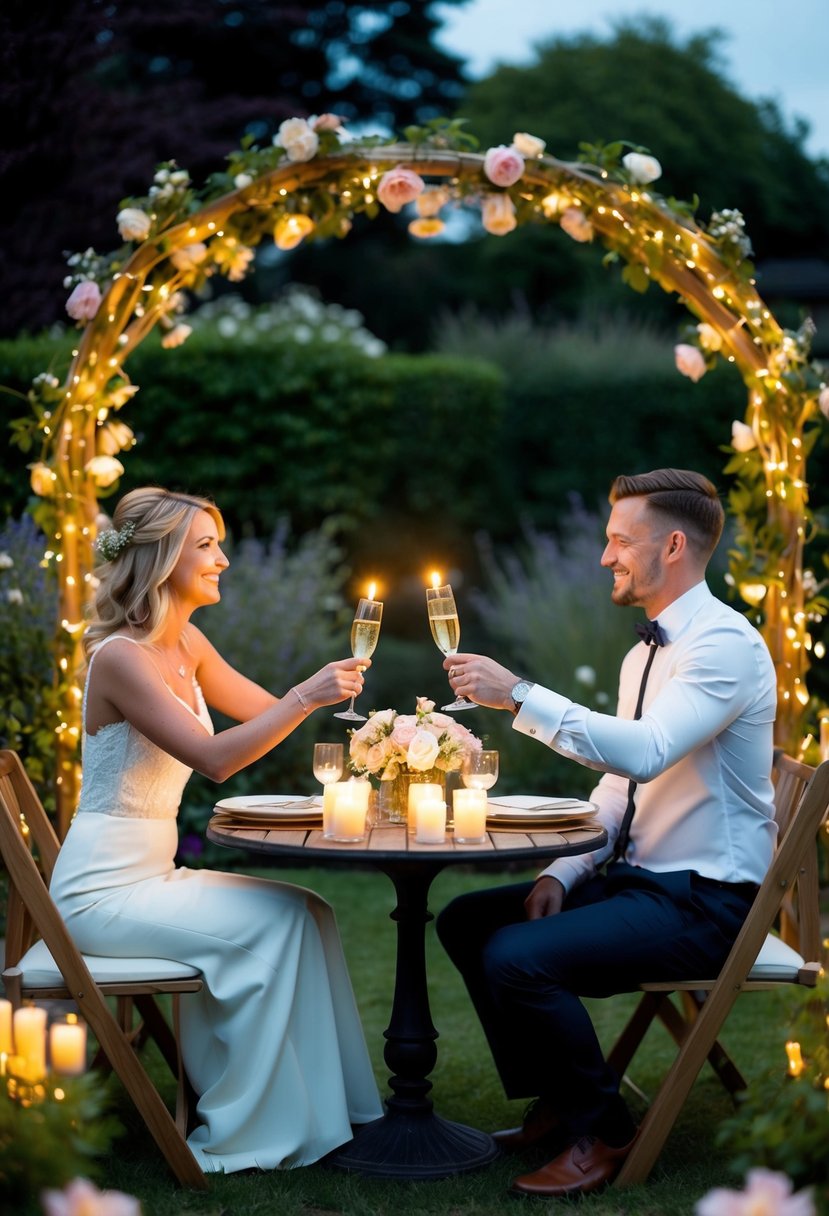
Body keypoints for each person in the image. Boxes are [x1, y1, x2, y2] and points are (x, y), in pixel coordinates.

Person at [436, 468, 777, 1197]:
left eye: (619, 541)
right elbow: (620, 786)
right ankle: (560, 1103)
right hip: (643, 881)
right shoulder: (641, 653)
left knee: (516, 957)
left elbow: (647, 749)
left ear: (674, 545)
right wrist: (562, 872)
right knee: (469, 921)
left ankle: (606, 1130)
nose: (604, 557)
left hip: (707, 899)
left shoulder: (724, 647)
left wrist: (519, 695)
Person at [49, 487, 382, 1174]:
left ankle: (336, 1116)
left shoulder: (187, 643)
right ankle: (246, 1130)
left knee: (309, 913)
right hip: (98, 896)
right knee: (271, 930)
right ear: (161, 557)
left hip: (153, 876)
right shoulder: (120, 658)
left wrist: (348, 712)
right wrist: (304, 697)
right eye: (206, 545)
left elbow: (263, 715)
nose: (224, 560)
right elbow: (218, 758)